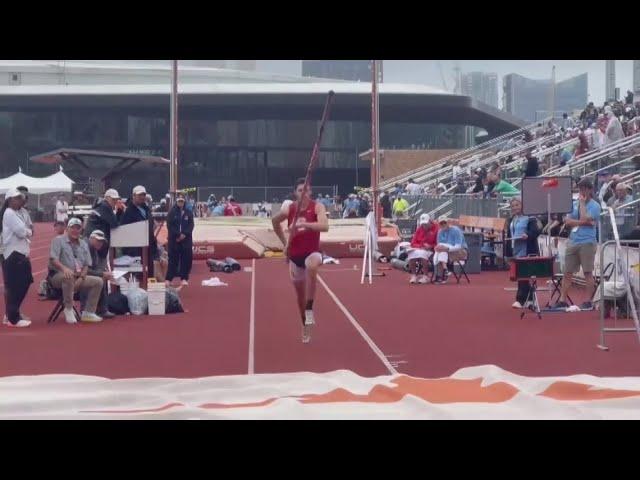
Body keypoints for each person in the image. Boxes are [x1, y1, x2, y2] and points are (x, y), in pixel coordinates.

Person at [271, 178, 329, 344]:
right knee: (299, 297)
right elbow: (275, 222)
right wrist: (285, 243)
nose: (303, 193)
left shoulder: (317, 207)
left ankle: (310, 307)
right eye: (300, 190)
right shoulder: (291, 209)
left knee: (311, 265)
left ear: (310, 192)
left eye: (306, 190)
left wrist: (306, 224)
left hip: (312, 253)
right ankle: (304, 322)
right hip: (295, 257)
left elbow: (325, 226)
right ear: (295, 193)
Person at [552, 178, 601, 310]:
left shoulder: (595, 206)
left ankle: (589, 300)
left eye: (585, 188)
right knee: (567, 272)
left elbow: (585, 218)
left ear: (590, 190)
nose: (582, 191)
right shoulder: (574, 204)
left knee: (587, 272)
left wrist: (583, 206)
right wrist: (583, 222)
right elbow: (567, 221)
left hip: (587, 241)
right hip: (573, 240)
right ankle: (562, 299)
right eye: (580, 188)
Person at [49, 218, 104, 324]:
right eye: (72, 227)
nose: (75, 230)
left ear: (81, 230)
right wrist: (65, 269)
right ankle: (68, 308)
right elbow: (53, 259)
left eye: (78, 228)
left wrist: (82, 277)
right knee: (68, 276)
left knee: (98, 281)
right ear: (67, 228)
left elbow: (86, 265)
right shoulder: (58, 240)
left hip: (78, 276)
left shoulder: (83, 244)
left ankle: (88, 312)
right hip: (58, 276)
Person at [1, 189, 33, 327]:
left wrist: (27, 231)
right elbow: (21, 231)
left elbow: (27, 229)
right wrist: (28, 231)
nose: (20, 200)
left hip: (20, 253)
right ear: (10, 200)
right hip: (13, 253)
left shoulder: (17, 213)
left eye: (21, 198)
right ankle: (12, 317)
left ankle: (13, 313)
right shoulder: (9, 213)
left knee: (25, 281)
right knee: (16, 285)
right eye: (17, 198)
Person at [508, 197, 540, 309]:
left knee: (525, 275)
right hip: (516, 249)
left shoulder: (530, 217)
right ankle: (527, 298)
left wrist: (528, 235)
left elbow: (535, 231)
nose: (515, 207)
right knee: (520, 275)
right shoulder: (513, 219)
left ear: (522, 205)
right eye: (513, 206)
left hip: (527, 249)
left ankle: (522, 299)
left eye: (517, 205)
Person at [120, 185, 159, 276]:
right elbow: (124, 231)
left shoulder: (146, 209)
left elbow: (150, 228)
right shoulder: (128, 211)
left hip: (148, 248)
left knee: (149, 273)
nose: (142, 197)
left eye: (144, 195)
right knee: (138, 275)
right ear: (133, 196)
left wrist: (154, 247)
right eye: (140, 195)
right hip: (135, 250)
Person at [85, 229, 115, 319]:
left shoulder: (94, 249)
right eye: (98, 240)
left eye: (102, 241)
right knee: (100, 278)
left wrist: (103, 273)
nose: (100, 243)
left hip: (84, 274)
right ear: (91, 238)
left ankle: (102, 309)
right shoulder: (86, 248)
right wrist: (102, 274)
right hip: (77, 275)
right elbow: (84, 270)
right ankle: (86, 309)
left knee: (102, 277)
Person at [166, 192, 194, 287]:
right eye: (179, 201)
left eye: (182, 201)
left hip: (186, 240)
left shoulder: (188, 213)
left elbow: (191, 225)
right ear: (176, 202)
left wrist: (184, 234)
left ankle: (184, 278)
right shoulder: (172, 212)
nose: (180, 203)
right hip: (174, 240)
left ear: (184, 202)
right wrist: (177, 235)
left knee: (185, 259)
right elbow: (169, 225)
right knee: (173, 260)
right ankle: (169, 279)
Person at [433, 216, 467, 284]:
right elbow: (439, 245)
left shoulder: (456, 230)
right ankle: (445, 270)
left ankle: (439, 275)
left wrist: (447, 249)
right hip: (446, 252)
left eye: (444, 223)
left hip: (461, 251)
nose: (443, 225)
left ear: (448, 222)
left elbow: (458, 246)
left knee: (442, 251)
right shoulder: (440, 232)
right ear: (439, 224)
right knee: (441, 251)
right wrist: (437, 248)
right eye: (441, 223)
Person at [407, 213, 438, 284]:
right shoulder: (419, 229)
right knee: (411, 254)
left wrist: (430, 246)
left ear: (429, 221)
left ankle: (425, 276)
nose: (424, 226)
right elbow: (413, 243)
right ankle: (414, 275)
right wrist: (420, 246)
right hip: (419, 248)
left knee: (423, 255)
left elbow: (438, 243)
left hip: (431, 250)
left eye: (426, 224)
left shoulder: (436, 228)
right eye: (423, 224)